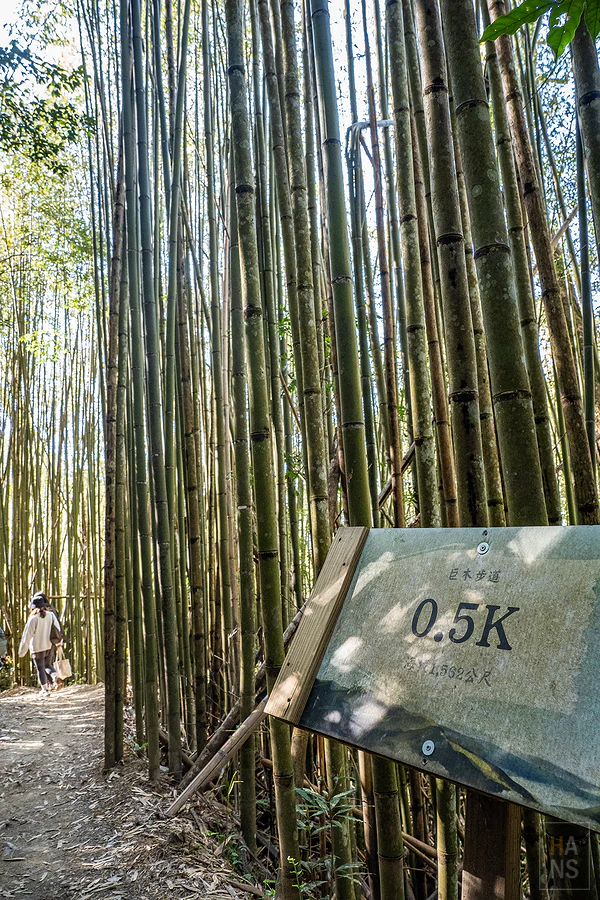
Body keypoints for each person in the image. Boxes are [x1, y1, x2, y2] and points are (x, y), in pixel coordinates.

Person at [18, 593, 61, 698]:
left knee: (40, 668)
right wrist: (58, 641)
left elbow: (26, 636)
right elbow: (57, 628)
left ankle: (44, 690)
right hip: (49, 646)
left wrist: (21, 652)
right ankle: (55, 677)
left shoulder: (33, 619)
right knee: (48, 665)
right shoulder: (50, 615)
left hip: (37, 648)